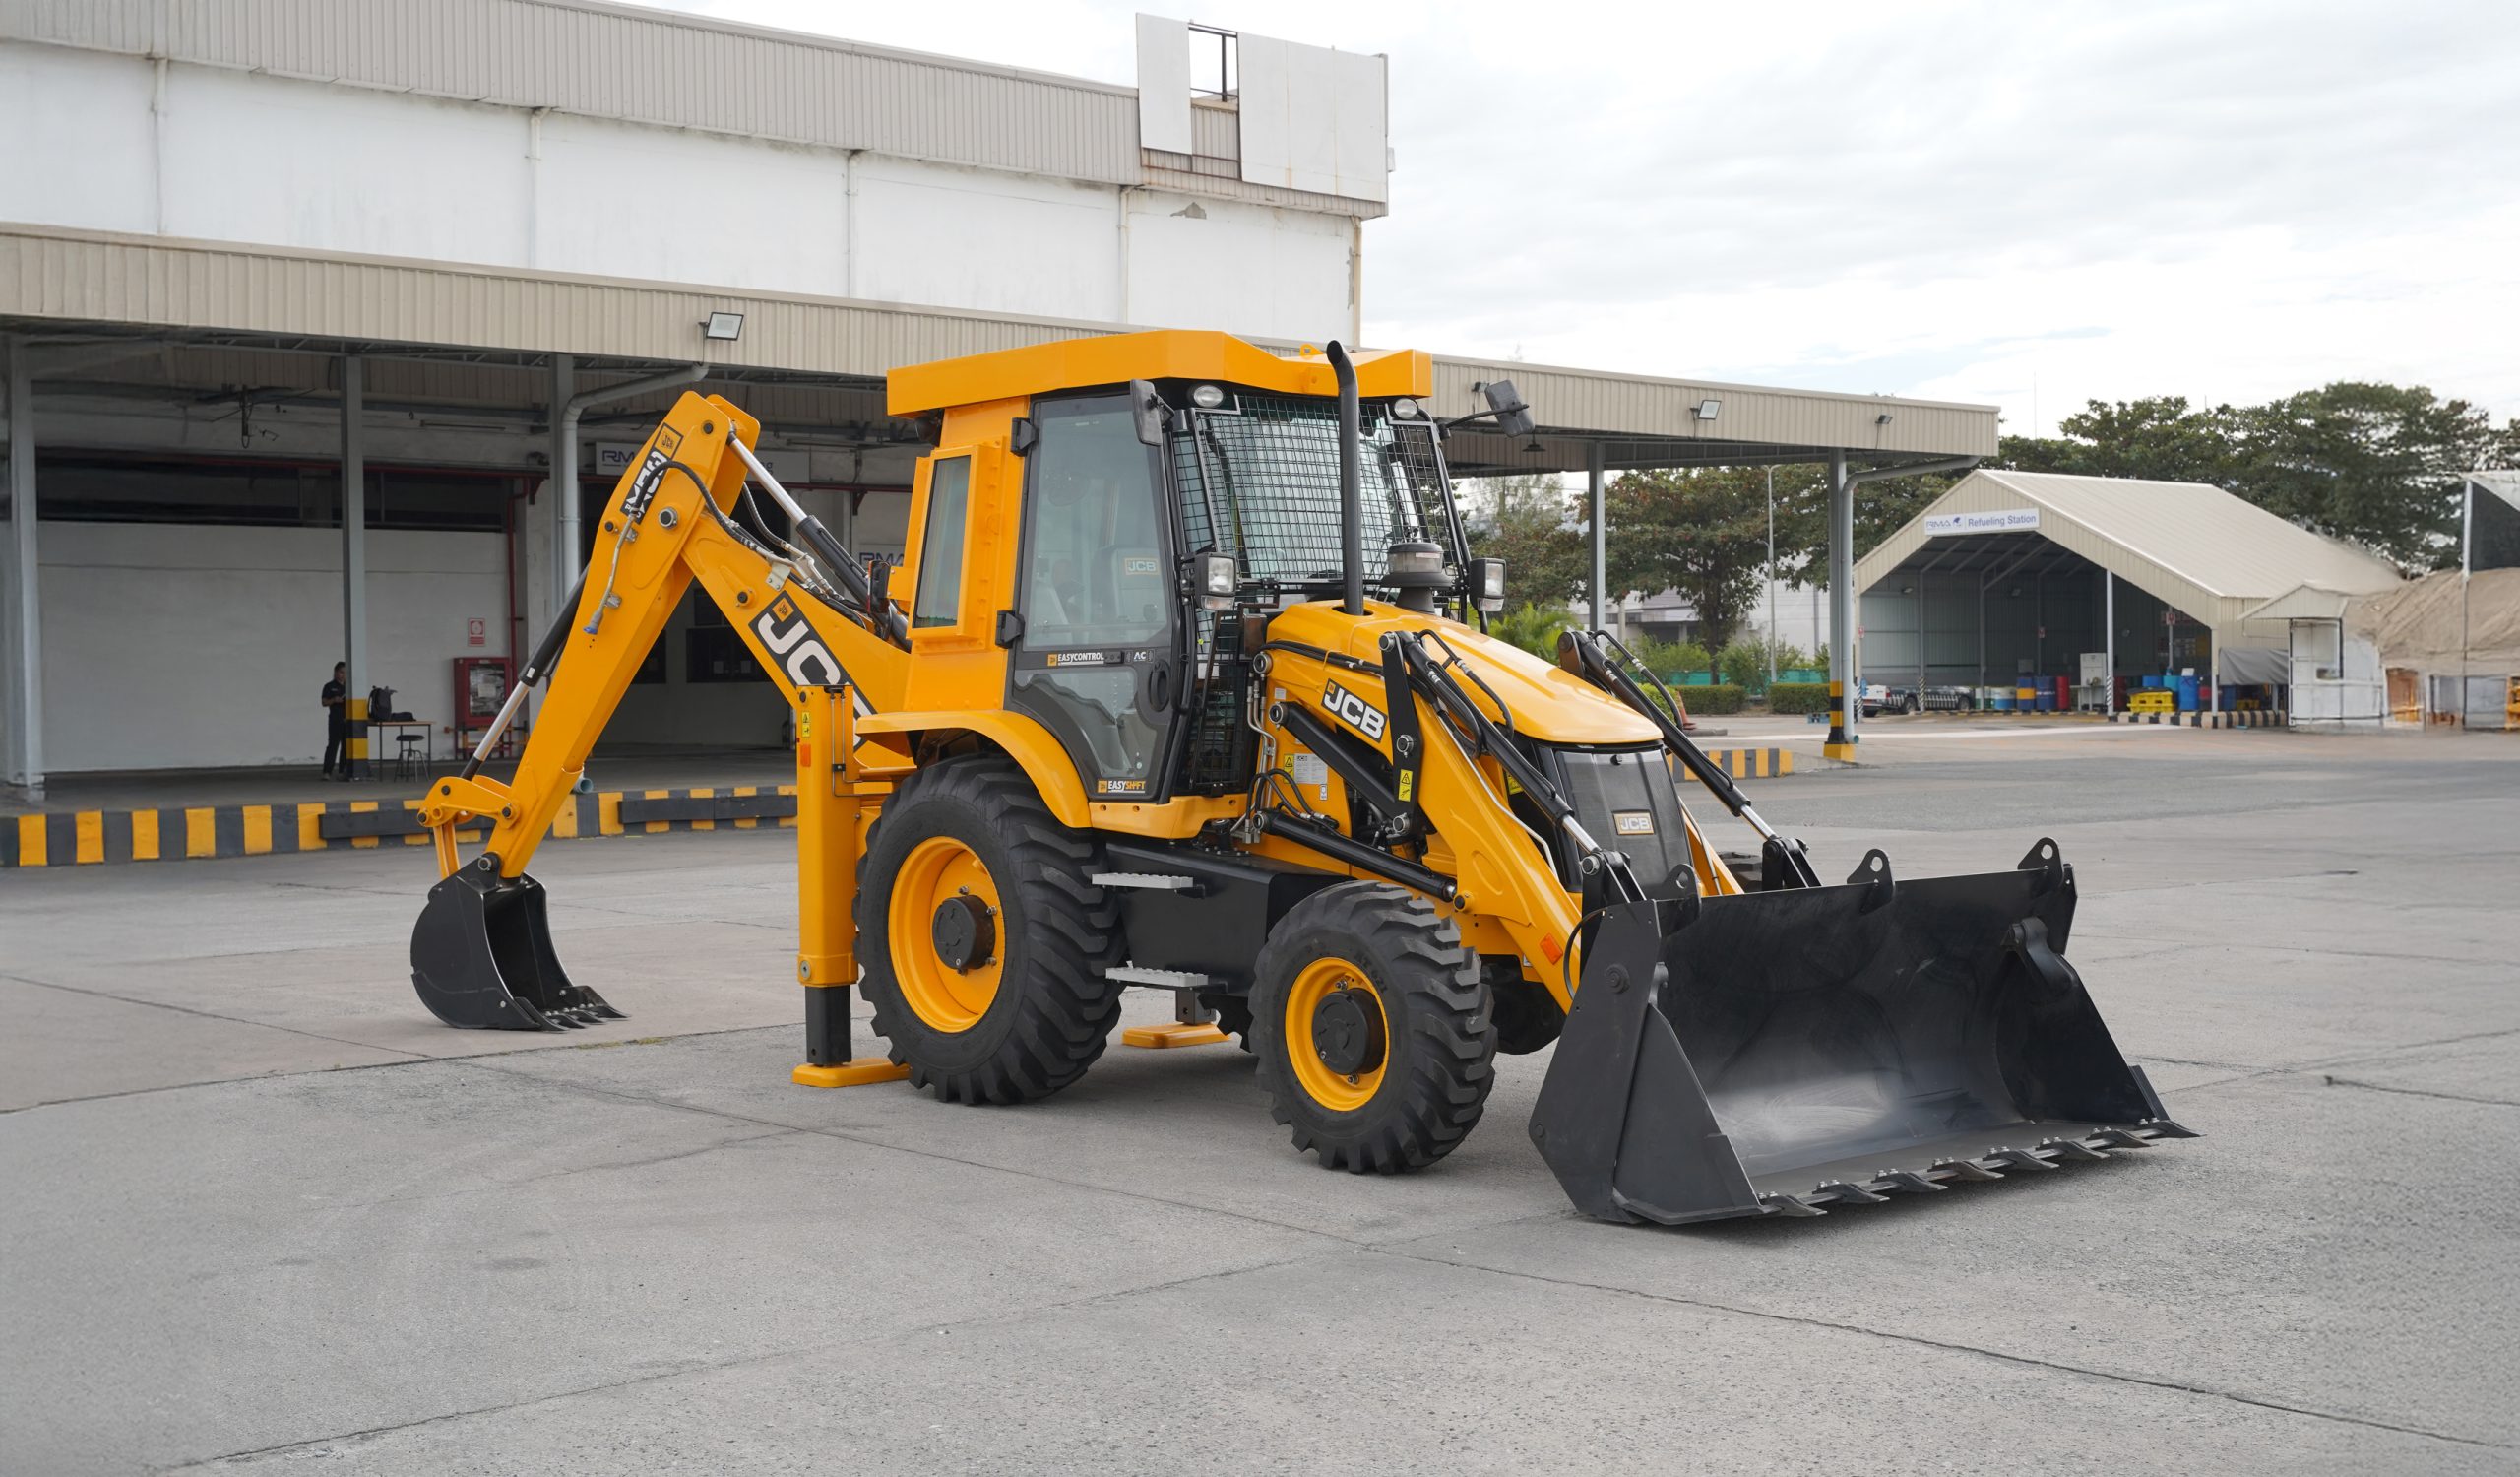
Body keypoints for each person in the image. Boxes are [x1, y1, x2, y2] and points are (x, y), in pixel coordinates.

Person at [321, 662, 350, 779]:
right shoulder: (329, 686)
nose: (342, 675)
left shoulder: (349, 687)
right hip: (335, 720)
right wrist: (333, 700)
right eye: (340, 672)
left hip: (347, 720)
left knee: (346, 746)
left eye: (345, 673)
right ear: (335, 672)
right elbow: (324, 702)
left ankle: (342, 771)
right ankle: (327, 771)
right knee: (333, 746)